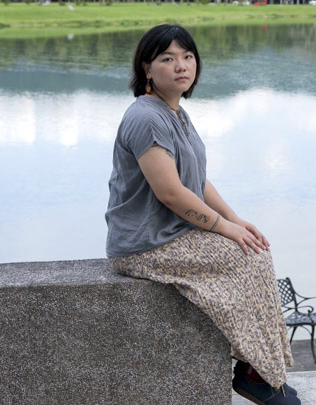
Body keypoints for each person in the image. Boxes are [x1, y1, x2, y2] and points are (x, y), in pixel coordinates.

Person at [105, 24, 299, 405]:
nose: (181, 66)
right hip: (145, 243)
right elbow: (172, 192)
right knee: (243, 258)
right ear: (146, 68)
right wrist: (225, 229)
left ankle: (261, 370)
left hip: (172, 232)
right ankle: (255, 373)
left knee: (254, 251)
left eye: (188, 57)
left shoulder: (175, 112)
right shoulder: (146, 117)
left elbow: (197, 180)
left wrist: (234, 220)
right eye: (168, 58)